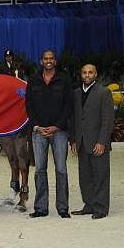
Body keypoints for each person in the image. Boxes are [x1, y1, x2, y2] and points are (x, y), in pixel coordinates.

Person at [25, 50, 73, 219]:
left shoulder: (64, 79)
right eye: (45, 58)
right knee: (40, 170)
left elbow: (69, 106)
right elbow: (28, 106)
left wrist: (57, 126)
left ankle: (62, 208)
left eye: (51, 58)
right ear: (41, 61)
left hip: (59, 131)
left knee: (61, 169)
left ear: (55, 61)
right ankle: (40, 208)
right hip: (39, 132)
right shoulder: (33, 80)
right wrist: (38, 126)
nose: (48, 61)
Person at [70, 64, 114, 219]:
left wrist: (102, 141)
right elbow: (74, 119)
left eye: (90, 72)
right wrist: (73, 141)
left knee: (100, 175)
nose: (87, 75)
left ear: (96, 74)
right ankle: (89, 205)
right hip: (81, 143)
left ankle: (101, 208)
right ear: (80, 75)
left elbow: (108, 120)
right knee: (85, 176)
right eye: (84, 72)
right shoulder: (76, 93)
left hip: (98, 143)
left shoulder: (104, 92)